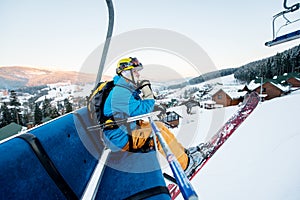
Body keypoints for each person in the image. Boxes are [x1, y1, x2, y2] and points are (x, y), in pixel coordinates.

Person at [101, 57, 207, 176]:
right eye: (135, 71)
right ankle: (186, 165)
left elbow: (136, 108)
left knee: (159, 126)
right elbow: (145, 108)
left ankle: (183, 154)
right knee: (157, 134)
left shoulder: (123, 88)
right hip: (121, 138)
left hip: (124, 130)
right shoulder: (121, 92)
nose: (138, 74)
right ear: (126, 72)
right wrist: (147, 91)